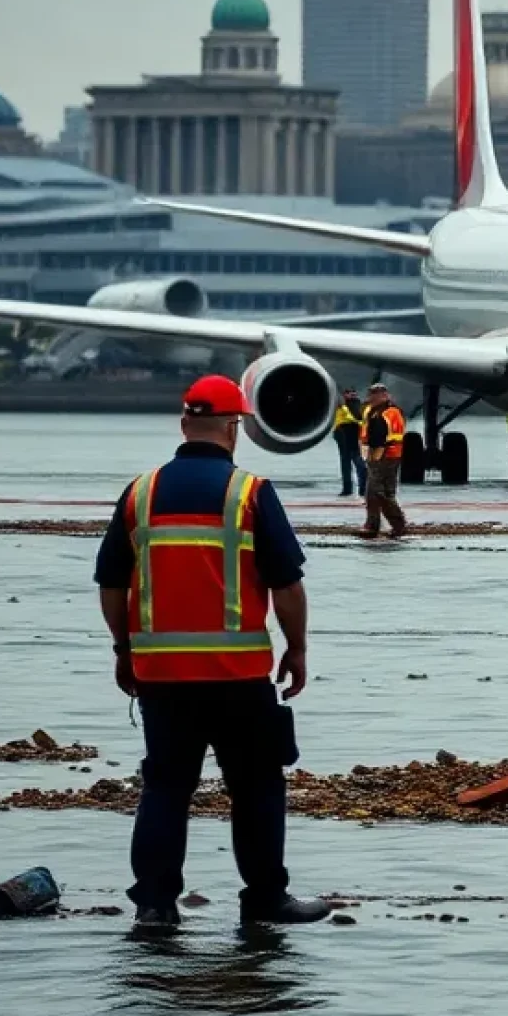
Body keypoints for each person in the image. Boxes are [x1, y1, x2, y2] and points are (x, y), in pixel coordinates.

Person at [93, 374, 330, 930]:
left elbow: (110, 584)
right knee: (255, 787)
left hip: (163, 678)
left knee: (166, 788)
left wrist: (123, 649)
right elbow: (287, 586)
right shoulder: (250, 493)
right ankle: (265, 901)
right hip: (238, 675)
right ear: (234, 428)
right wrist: (296, 650)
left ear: (183, 424)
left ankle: (155, 906)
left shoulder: (140, 493)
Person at [361, 382, 408, 538]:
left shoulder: (392, 413)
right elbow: (366, 433)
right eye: (372, 394)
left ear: (385, 396)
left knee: (378, 492)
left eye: (378, 394)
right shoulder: (370, 411)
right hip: (375, 454)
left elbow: (392, 435)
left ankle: (396, 524)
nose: (374, 397)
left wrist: (380, 450)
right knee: (376, 492)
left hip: (387, 455)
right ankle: (377, 525)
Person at [332, 389, 367, 498]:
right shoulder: (353, 406)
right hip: (346, 434)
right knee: (350, 462)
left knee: (352, 461)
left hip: (348, 434)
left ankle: (356, 488)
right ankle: (355, 488)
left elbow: (353, 419)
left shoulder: (350, 406)